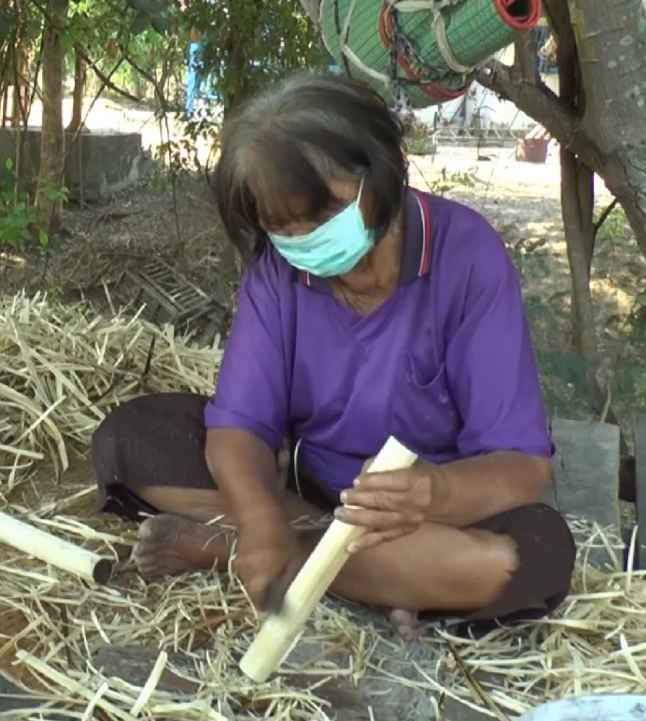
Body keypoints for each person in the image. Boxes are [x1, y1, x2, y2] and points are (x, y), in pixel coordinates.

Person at [90, 73, 575, 641]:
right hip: (307, 491)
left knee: (536, 557)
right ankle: (367, 575)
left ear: (381, 172)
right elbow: (239, 426)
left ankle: (236, 553)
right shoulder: (279, 269)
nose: (304, 241)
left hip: (428, 516)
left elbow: (521, 465)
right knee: (133, 439)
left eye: (322, 217)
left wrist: (433, 493)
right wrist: (261, 519)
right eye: (281, 227)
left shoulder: (468, 257)